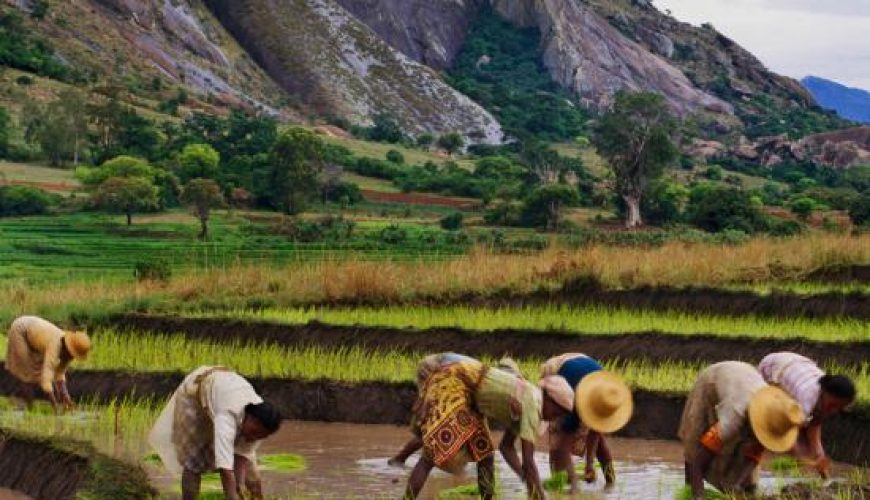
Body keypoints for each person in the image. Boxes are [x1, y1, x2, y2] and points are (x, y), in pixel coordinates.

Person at [403, 355, 574, 499]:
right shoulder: (533, 404)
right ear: (549, 399)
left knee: (485, 454)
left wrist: (523, 477)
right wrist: (539, 495)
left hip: (471, 399)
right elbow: (529, 463)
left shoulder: (529, 399)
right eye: (557, 412)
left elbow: (507, 447)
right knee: (430, 456)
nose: (554, 418)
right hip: (455, 382)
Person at [148, 366, 282, 500]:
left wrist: (240, 485)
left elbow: (241, 456)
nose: (253, 438)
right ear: (252, 420)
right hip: (195, 395)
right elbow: (225, 469)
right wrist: (232, 497)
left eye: (260, 436)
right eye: (254, 433)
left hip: (222, 391)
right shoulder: (228, 416)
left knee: (251, 468)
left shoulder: (263, 420)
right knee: (194, 459)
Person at [679, 361, 804, 500]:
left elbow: (753, 455)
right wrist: (699, 497)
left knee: (749, 483)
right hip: (712, 381)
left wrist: (735, 486)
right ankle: (690, 491)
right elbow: (697, 460)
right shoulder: (735, 416)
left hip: (745, 379)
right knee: (694, 442)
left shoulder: (777, 416)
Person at [389, 354, 522, 467]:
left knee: (463, 423)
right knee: (435, 425)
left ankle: (448, 461)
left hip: (444, 374)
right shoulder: (486, 379)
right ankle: (400, 459)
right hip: (433, 369)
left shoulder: (489, 380)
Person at [540, 353, 632, 491]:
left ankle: (611, 483)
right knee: (557, 436)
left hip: (587, 373)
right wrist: (575, 487)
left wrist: (589, 463)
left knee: (599, 440)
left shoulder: (605, 396)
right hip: (558, 371)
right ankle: (557, 485)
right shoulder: (570, 402)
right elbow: (562, 446)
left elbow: (596, 429)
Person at [758, 352, 856, 478]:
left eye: (839, 408)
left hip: (796, 364)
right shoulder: (806, 400)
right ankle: (757, 467)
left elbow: (814, 428)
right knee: (766, 423)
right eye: (832, 405)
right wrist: (805, 459)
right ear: (824, 392)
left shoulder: (823, 398)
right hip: (772, 367)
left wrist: (820, 458)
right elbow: (787, 437)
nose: (834, 411)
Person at [4, 315, 91, 412]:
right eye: (73, 353)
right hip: (20, 330)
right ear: (68, 347)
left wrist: (66, 396)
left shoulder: (68, 354)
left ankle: (29, 405)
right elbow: (46, 377)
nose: (72, 357)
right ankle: (28, 408)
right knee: (27, 373)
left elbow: (60, 373)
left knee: (37, 370)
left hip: (35, 335)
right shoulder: (55, 345)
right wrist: (55, 406)